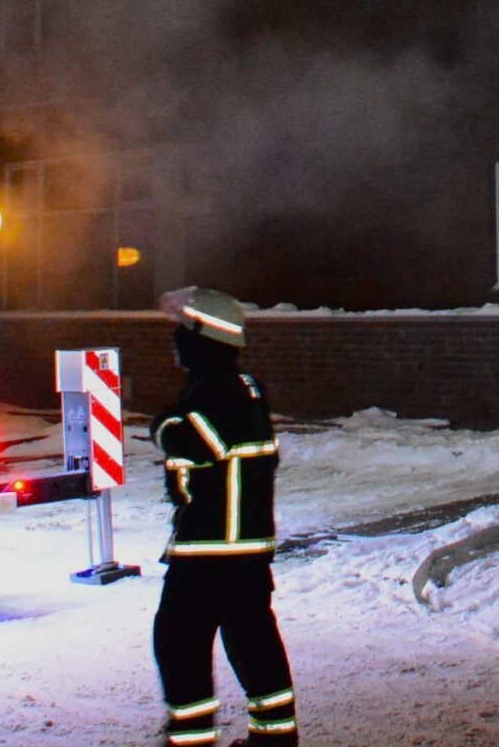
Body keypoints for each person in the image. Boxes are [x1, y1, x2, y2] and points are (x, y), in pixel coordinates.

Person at [152, 287, 296, 746]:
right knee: (254, 646)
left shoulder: (216, 392)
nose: (175, 337)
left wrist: (163, 424)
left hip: (211, 552)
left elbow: (188, 439)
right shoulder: (239, 386)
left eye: (181, 328)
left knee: (179, 645)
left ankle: (191, 739)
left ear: (202, 336)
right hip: (243, 553)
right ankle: (274, 738)